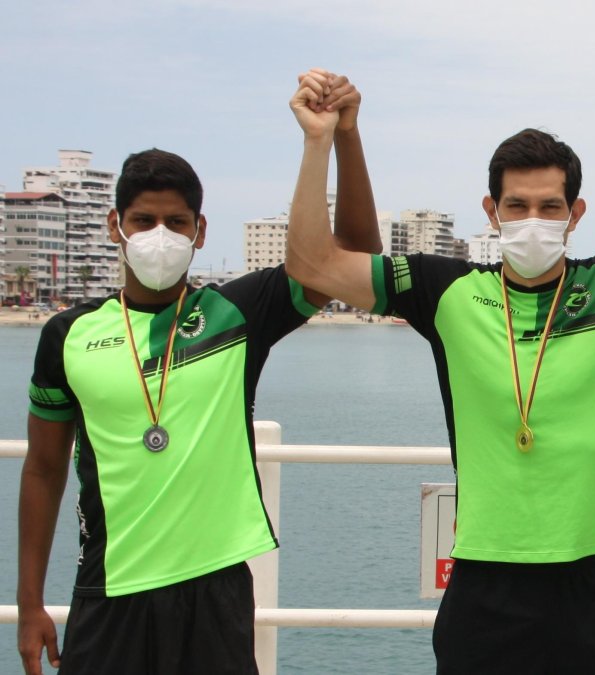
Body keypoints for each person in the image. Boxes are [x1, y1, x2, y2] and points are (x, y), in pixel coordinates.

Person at [283, 58, 595, 674]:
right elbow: (313, 265)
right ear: (491, 211)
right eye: (517, 206)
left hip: (593, 577)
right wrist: (318, 141)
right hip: (484, 576)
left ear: (577, 212)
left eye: (551, 206)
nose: (534, 221)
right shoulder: (447, 290)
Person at [16, 71, 381, 675]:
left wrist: (340, 136)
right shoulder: (67, 336)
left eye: (177, 223)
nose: (160, 236)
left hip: (215, 592)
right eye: (143, 221)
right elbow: (44, 468)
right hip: (110, 588)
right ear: (116, 227)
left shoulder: (235, 313)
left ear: (199, 231)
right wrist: (30, 604)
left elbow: (355, 254)